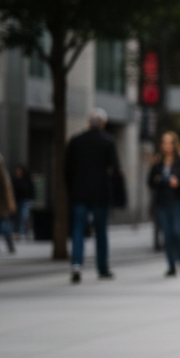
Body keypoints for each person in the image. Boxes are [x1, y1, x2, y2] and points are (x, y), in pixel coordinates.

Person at [65, 108, 123, 283]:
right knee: (100, 231)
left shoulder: (76, 141)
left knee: (78, 229)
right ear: (103, 124)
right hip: (100, 193)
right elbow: (115, 170)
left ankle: (76, 264)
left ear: (89, 122)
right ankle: (102, 268)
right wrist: (116, 194)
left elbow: (67, 169)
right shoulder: (108, 141)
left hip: (79, 192)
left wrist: (72, 188)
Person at [147, 131, 180, 277]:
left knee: (177, 233)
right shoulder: (158, 161)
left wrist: (177, 182)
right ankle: (171, 265)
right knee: (167, 235)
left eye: (169, 142)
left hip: (177, 201)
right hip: (162, 201)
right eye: (164, 142)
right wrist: (158, 179)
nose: (167, 145)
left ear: (174, 144)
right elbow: (149, 181)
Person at [0, 147, 15, 253]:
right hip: (0, 199)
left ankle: (10, 244)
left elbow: (1, 180)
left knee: (2, 223)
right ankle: (10, 244)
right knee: (2, 223)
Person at [12, 164, 34, 240]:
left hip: (25, 200)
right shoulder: (15, 180)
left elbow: (31, 189)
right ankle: (17, 232)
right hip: (17, 200)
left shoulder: (26, 179)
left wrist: (31, 198)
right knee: (17, 217)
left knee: (24, 216)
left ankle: (22, 232)